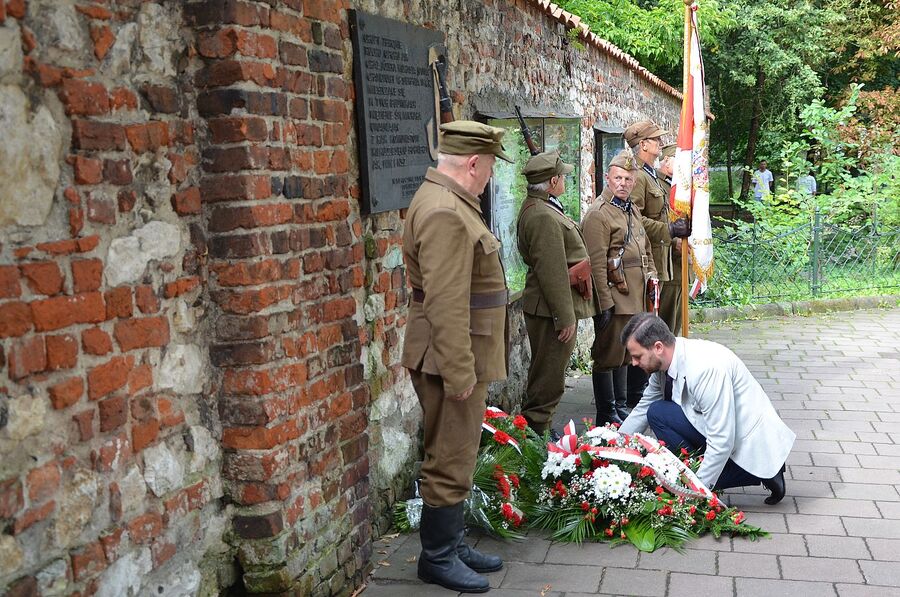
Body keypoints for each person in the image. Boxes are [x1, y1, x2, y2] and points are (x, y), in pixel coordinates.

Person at [401, 120, 511, 593]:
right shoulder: (445, 210)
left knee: (457, 449)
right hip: (449, 354)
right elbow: (445, 302)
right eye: (489, 167)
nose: (490, 176)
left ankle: (452, 542)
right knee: (449, 454)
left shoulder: (449, 201)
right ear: (472, 163)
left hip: (455, 350)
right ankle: (438, 557)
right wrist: (459, 372)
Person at [618, 313, 795, 504]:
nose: (633, 363)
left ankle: (763, 471)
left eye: (637, 356)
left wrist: (695, 490)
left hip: (746, 443)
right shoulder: (665, 362)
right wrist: (613, 446)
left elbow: (722, 440)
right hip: (715, 429)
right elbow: (642, 410)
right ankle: (693, 469)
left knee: (675, 480)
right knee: (657, 412)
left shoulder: (704, 369)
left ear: (658, 347)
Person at [517, 151, 597, 435]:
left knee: (549, 375)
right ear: (553, 182)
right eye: (562, 176)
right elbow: (551, 271)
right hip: (550, 309)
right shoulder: (542, 215)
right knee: (548, 379)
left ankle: (540, 429)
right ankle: (536, 434)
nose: (564, 180)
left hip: (548, 306)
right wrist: (565, 318)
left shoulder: (543, 207)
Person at [581, 150, 657, 426]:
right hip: (615, 295)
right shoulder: (598, 214)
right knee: (608, 354)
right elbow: (596, 264)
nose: (623, 183)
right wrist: (605, 304)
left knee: (626, 352)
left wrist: (652, 276)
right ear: (607, 178)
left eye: (628, 179)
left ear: (634, 180)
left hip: (635, 295)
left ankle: (620, 405)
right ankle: (606, 412)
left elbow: (644, 247)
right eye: (618, 178)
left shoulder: (631, 208)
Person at [623, 121, 692, 413]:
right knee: (649, 327)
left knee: (659, 326)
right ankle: (637, 392)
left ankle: (650, 387)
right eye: (655, 140)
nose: (660, 145)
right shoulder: (639, 177)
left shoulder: (650, 175)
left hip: (661, 260)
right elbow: (635, 219)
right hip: (649, 260)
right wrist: (669, 230)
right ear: (643, 145)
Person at [656, 143, 684, 336]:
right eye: (679, 161)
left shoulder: (680, 187)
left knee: (676, 324)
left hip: (682, 262)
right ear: (666, 160)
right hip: (670, 261)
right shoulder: (659, 185)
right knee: (667, 323)